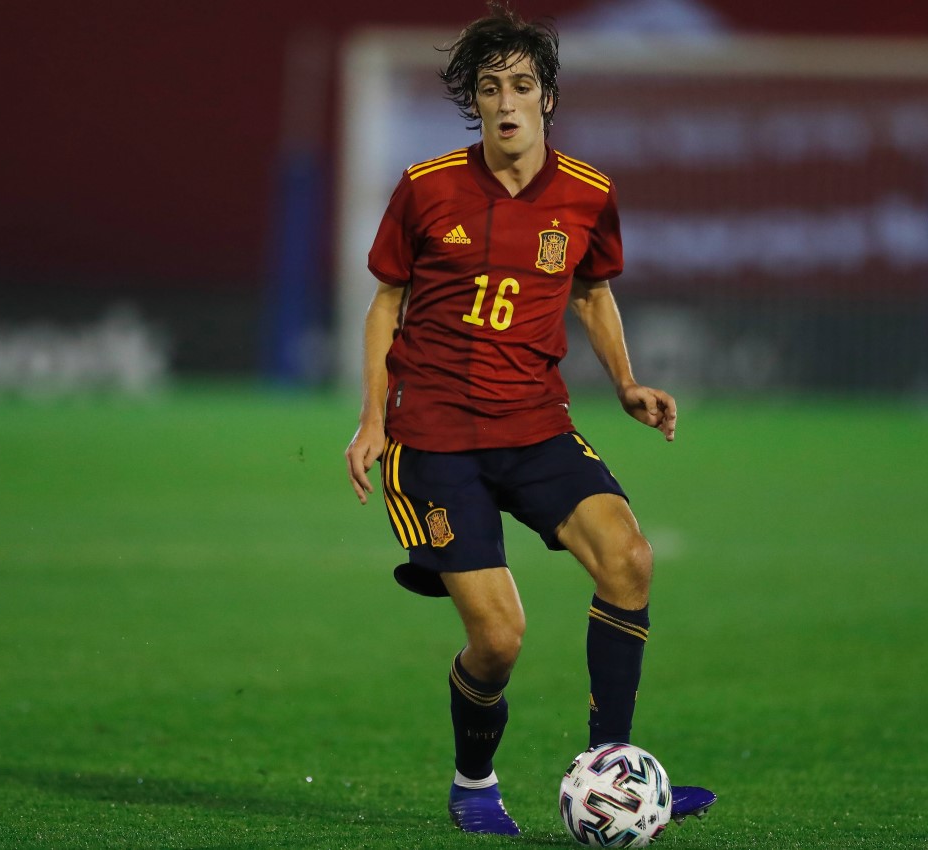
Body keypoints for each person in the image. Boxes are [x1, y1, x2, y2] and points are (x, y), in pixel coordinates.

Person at [344, 1, 715, 835]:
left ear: (546, 96)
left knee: (629, 559)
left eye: (520, 85)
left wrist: (626, 382)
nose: (505, 103)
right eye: (489, 88)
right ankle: (474, 779)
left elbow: (591, 290)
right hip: (437, 439)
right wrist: (372, 420)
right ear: (473, 103)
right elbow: (386, 302)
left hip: (536, 426)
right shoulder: (426, 187)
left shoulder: (588, 193)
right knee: (500, 640)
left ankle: (610, 768)